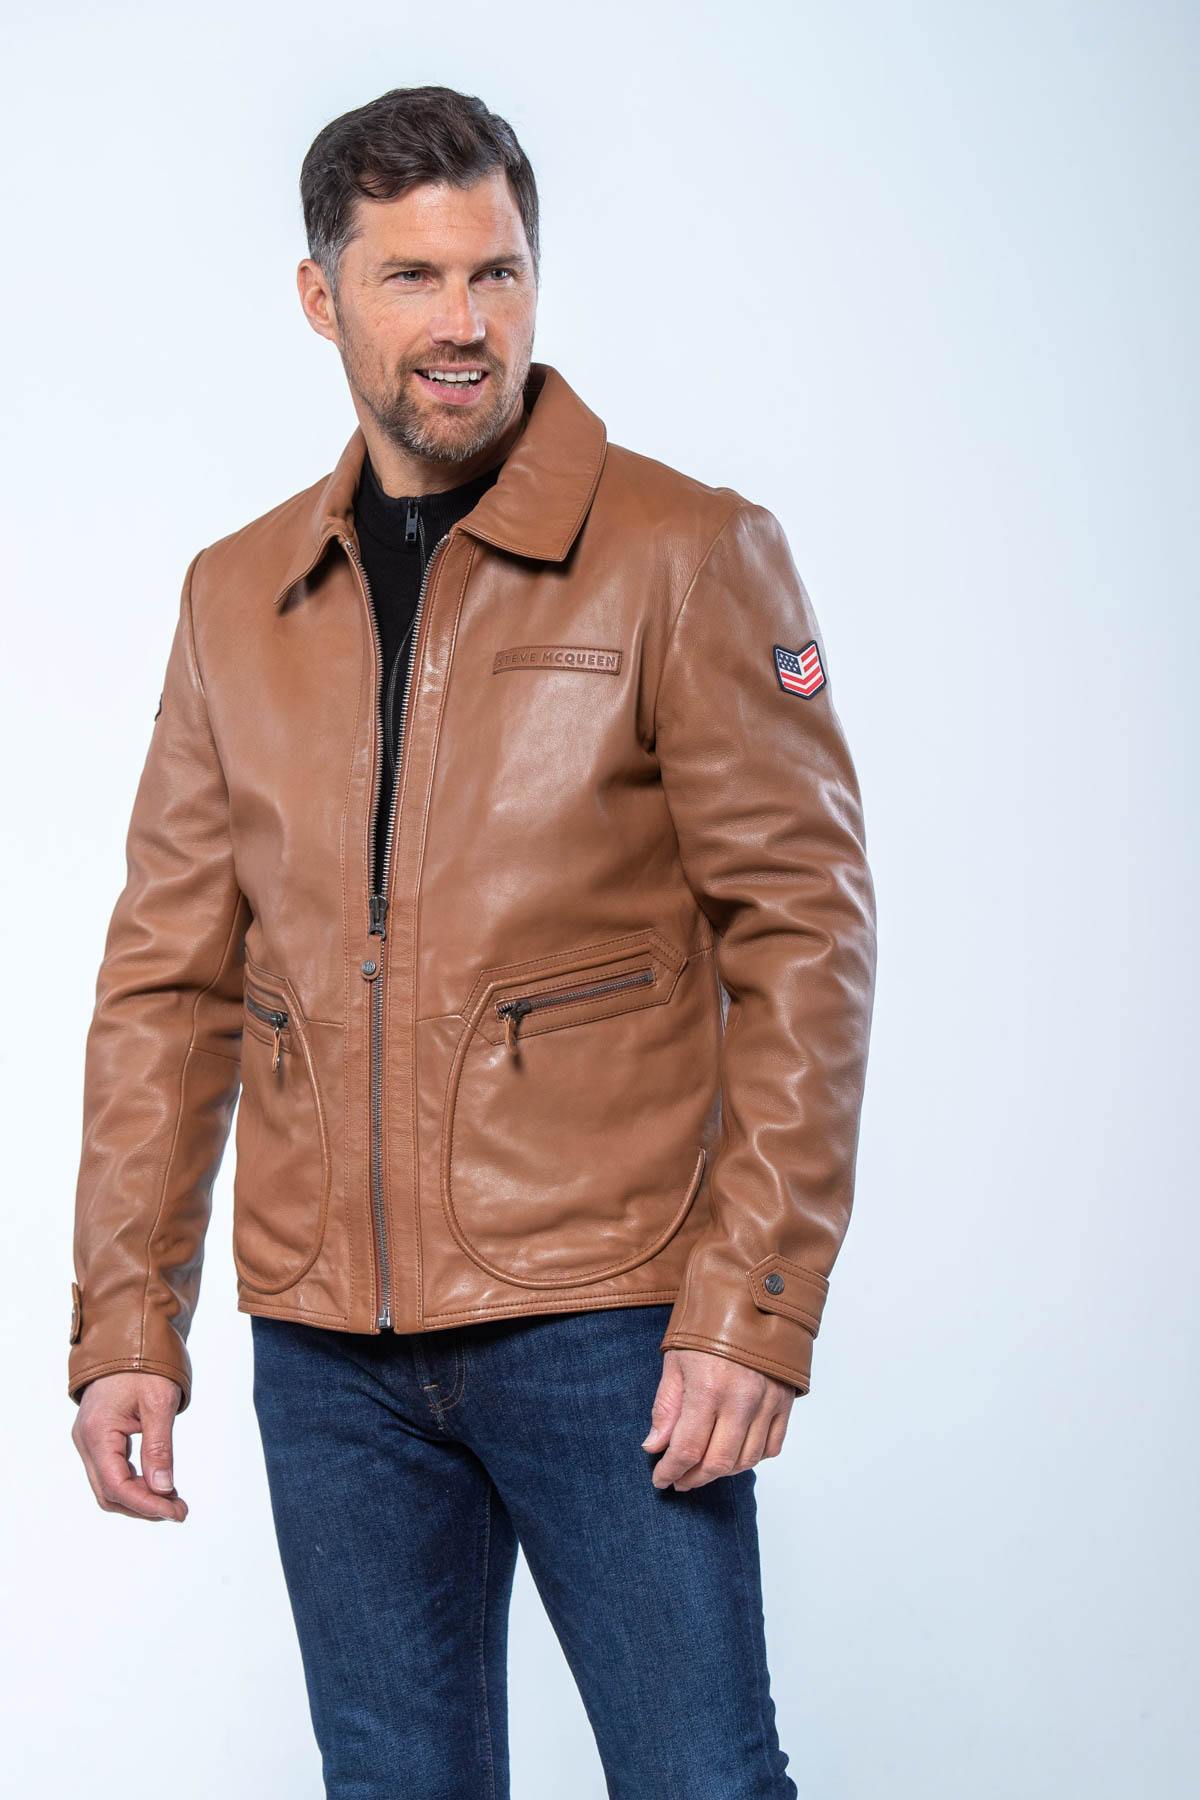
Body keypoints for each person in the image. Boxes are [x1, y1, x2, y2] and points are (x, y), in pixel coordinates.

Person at [67, 83, 877, 1799]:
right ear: (321, 297)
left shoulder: (684, 552)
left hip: (607, 1319)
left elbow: (806, 930)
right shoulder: (235, 597)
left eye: (496, 273)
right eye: (415, 277)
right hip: (327, 1351)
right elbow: (168, 981)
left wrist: (755, 1304)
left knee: (701, 1780)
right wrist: (127, 1319)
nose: (464, 323)